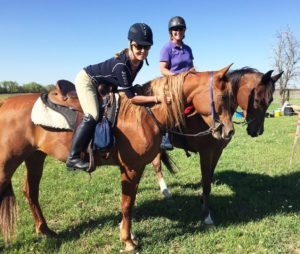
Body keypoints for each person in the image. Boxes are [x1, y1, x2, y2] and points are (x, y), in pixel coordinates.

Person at [66, 23, 161, 171]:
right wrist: (156, 99)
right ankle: (73, 157)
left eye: (147, 47)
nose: (143, 51)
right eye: (138, 46)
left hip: (105, 84)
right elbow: (132, 98)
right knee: (93, 114)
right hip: (87, 80)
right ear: (130, 44)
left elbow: (125, 85)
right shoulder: (121, 66)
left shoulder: (139, 62)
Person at [159, 16, 194, 150]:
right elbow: (162, 68)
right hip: (173, 83)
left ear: (184, 31)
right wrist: (176, 77)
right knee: (171, 103)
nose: (178, 31)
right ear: (171, 32)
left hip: (189, 83)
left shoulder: (188, 49)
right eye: (175, 29)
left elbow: (191, 66)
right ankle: (165, 134)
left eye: (180, 28)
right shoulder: (167, 48)